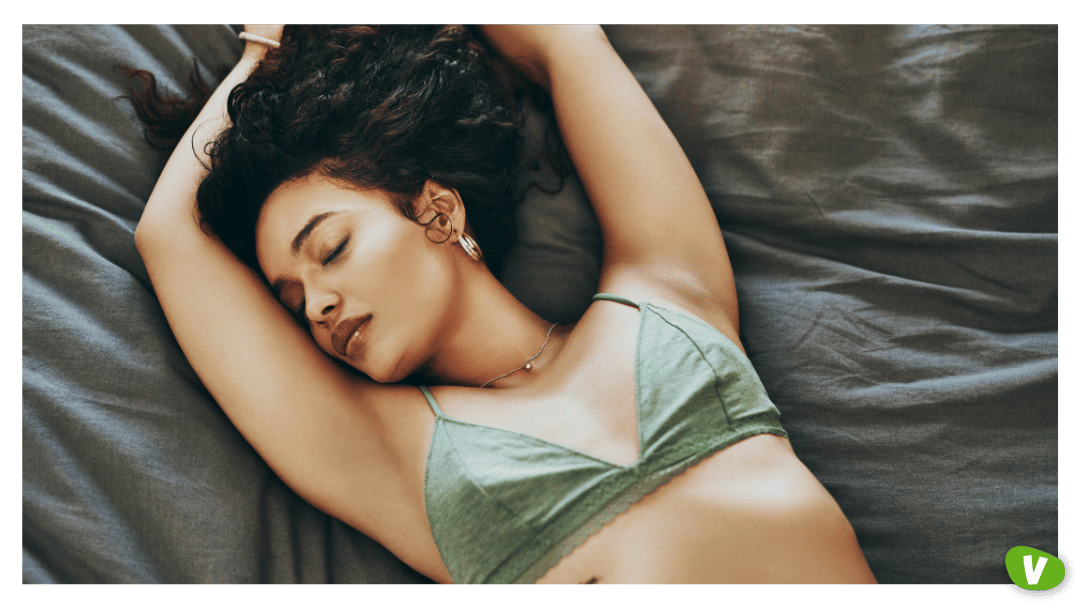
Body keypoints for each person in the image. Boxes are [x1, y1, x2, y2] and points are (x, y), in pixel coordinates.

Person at [132, 24, 877, 584]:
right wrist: (265, 49)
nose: (319, 306)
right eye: (293, 302)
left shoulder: (667, 288)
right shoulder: (390, 454)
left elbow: (564, 39)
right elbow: (170, 239)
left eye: (330, 250)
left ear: (438, 213)